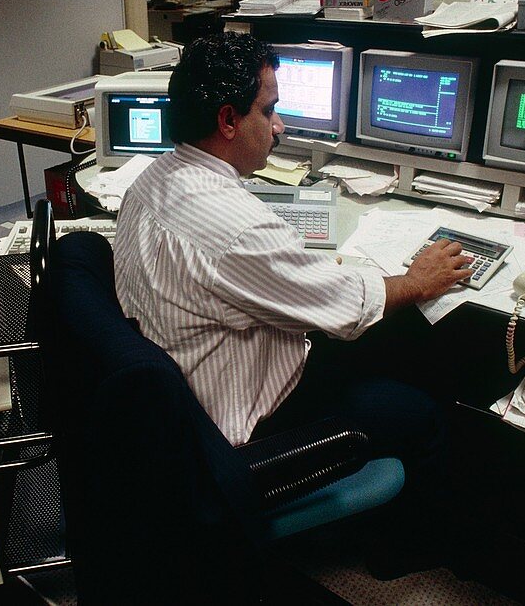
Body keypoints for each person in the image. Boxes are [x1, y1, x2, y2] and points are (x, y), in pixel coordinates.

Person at [113, 31, 471, 578]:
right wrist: (418, 281)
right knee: (420, 413)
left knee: (379, 354)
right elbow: (348, 307)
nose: (280, 127)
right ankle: (410, 551)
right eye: (271, 110)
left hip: (175, 399)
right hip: (234, 422)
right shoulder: (237, 229)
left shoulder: (152, 179)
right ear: (229, 121)